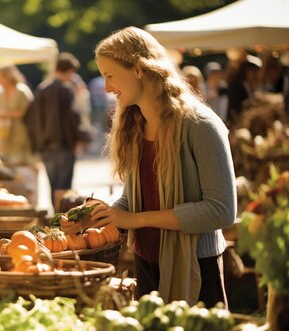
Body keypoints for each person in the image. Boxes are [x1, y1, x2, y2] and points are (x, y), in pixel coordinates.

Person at [86, 27, 236, 307]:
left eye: (110, 75)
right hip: (146, 262)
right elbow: (133, 200)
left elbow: (222, 210)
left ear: (139, 69)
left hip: (196, 266)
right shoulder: (134, 124)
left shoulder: (200, 125)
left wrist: (136, 220)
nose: (107, 88)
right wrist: (98, 216)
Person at [24, 52, 83, 208]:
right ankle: (64, 219)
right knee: (64, 185)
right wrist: (79, 138)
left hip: (46, 145)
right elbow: (73, 118)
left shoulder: (42, 89)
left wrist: (37, 141)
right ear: (69, 70)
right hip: (65, 143)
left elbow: (30, 118)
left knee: (53, 184)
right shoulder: (66, 90)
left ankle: (56, 216)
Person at [0, 62, 34, 165]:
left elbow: (27, 112)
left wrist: (4, 113)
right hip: (4, 135)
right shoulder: (1, 93)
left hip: (20, 134)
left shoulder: (21, 91)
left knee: (20, 163)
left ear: (7, 76)